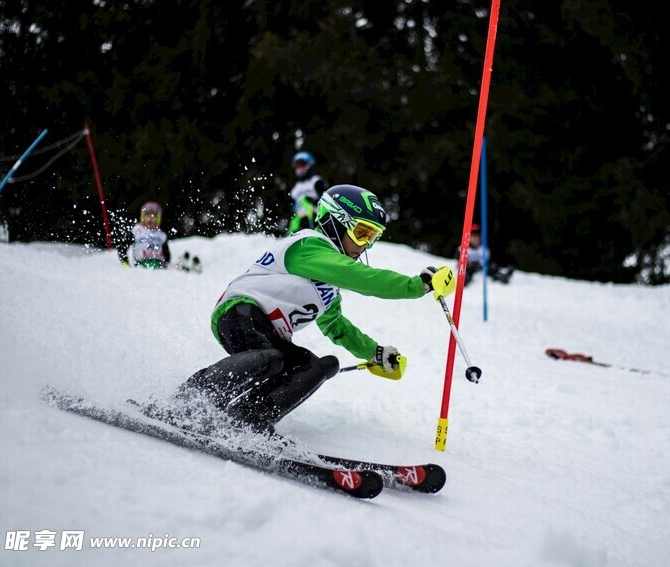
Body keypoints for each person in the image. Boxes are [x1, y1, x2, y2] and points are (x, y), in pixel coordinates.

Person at [160, 183, 457, 433]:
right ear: (334, 220)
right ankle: (187, 402)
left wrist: (375, 353)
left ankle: (249, 422)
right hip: (240, 313)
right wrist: (419, 285)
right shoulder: (309, 246)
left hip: (270, 334)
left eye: (373, 238)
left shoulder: (328, 283)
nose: (365, 245)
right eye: (362, 233)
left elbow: (336, 326)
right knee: (271, 359)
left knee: (318, 366)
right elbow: (362, 279)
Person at [117, 201, 171, 268]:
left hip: (159, 265)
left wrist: (166, 263)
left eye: (154, 216)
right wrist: (125, 263)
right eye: (148, 215)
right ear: (143, 216)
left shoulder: (160, 234)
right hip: (141, 264)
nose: (151, 219)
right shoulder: (136, 231)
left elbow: (166, 253)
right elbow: (122, 247)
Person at [288, 151, 328, 234]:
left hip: (314, 217)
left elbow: (325, 199)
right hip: (300, 218)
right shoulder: (296, 188)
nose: (300, 169)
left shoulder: (316, 181)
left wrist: (313, 201)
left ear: (310, 165)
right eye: (297, 166)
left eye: (302, 165)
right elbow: (292, 206)